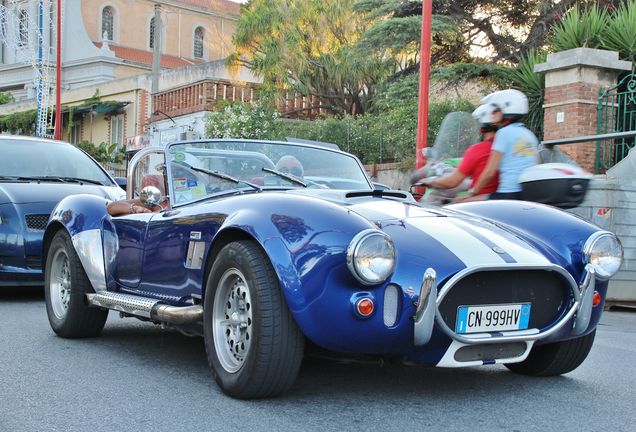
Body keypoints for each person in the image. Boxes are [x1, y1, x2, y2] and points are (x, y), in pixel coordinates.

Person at [417, 104, 500, 202]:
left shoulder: (478, 150)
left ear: (481, 126)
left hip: (480, 203)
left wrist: (429, 181)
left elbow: (452, 182)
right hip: (499, 200)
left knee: (448, 204)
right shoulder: (504, 146)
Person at [469, 89, 538, 200]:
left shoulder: (503, 133)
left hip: (507, 194)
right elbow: (536, 163)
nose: (492, 114)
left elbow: (490, 172)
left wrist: (472, 193)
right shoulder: (529, 135)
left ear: (507, 109)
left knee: (458, 204)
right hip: (527, 194)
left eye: (495, 110)